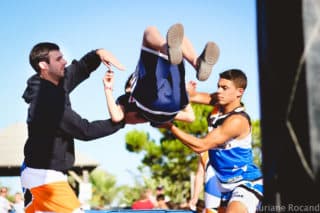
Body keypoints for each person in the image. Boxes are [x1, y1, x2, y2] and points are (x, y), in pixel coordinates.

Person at [21, 42, 126, 213]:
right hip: (44, 178)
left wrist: (98, 53)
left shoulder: (54, 81)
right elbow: (85, 130)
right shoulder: (48, 101)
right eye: (59, 58)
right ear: (43, 65)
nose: (65, 61)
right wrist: (122, 121)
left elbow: (79, 69)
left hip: (36, 173)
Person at [161, 69, 263, 213]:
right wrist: (184, 91)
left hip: (244, 181)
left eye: (224, 88)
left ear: (239, 92)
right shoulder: (219, 103)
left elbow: (200, 146)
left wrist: (170, 126)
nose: (219, 91)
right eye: (218, 86)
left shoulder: (237, 121)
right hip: (218, 180)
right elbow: (193, 96)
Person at [103, 23, 219, 126]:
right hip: (168, 105)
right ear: (129, 87)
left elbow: (117, 117)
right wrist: (184, 92)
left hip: (167, 109)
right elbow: (190, 117)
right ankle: (195, 62)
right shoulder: (128, 96)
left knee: (180, 40)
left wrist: (108, 89)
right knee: (150, 30)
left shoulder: (125, 100)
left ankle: (170, 50)